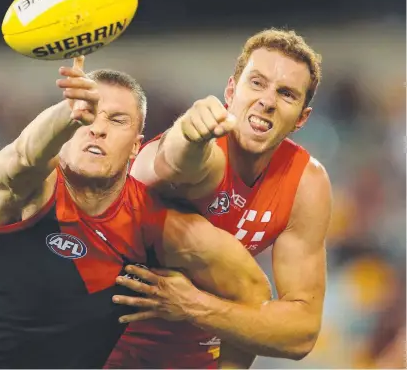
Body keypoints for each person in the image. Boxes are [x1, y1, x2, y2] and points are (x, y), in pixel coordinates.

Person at [0, 56, 271, 369]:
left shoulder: (156, 225)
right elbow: (22, 158)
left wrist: (197, 307)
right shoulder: (32, 191)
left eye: (116, 120)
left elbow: (253, 297)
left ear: (135, 148)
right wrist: (67, 112)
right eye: (88, 116)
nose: (97, 128)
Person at [107, 28, 333, 368]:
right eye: (256, 83)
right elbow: (173, 163)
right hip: (106, 335)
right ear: (231, 89)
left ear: (302, 118)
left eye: (286, 94)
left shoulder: (306, 183)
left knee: (251, 293)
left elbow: (301, 333)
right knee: (251, 290)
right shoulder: (206, 151)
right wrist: (188, 134)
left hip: (194, 347)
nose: (267, 101)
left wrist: (192, 304)